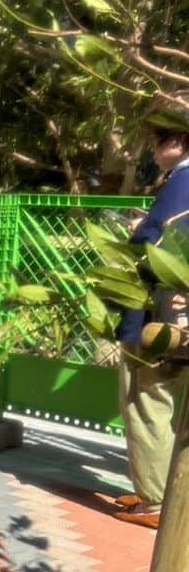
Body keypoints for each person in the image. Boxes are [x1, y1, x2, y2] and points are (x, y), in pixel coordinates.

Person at [113, 108, 189, 529]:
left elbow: (160, 240)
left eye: (162, 140)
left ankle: (155, 497)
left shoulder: (182, 182)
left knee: (146, 395)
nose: (157, 149)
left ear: (180, 141)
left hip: (166, 307)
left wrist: (139, 230)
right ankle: (161, 491)